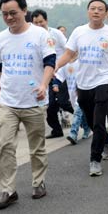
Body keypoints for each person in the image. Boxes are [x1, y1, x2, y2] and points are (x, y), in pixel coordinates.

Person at [0, 0, 56, 209]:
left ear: (24, 11)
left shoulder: (39, 35)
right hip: (8, 101)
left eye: (13, 13)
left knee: (37, 146)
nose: (9, 17)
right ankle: (7, 190)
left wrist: (44, 84)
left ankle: (38, 182)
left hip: (34, 101)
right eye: (4, 14)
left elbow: (50, 62)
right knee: (4, 146)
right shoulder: (0, 38)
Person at [56, 0, 108, 176]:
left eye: (100, 9)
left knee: (98, 122)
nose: (96, 11)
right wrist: (56, 67)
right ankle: (106, 140)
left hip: (105, 80)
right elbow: (68, 53)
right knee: (89, 121)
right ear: (88, 12)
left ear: (105, 13)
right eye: (93, 9)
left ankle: (95, 160)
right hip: (83, 83)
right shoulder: (79, 32)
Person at [31, 9, 74, 138]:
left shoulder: (56, 34)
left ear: (46, 21)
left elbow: (68, 51)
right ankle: (57, 130)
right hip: (45, 75)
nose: (39, 25)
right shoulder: (32, 37)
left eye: (41, 22)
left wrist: (65, 68)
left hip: (60, 73)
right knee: (49, 106)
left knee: (63, 102)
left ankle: (82, 119)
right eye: (35, 23)